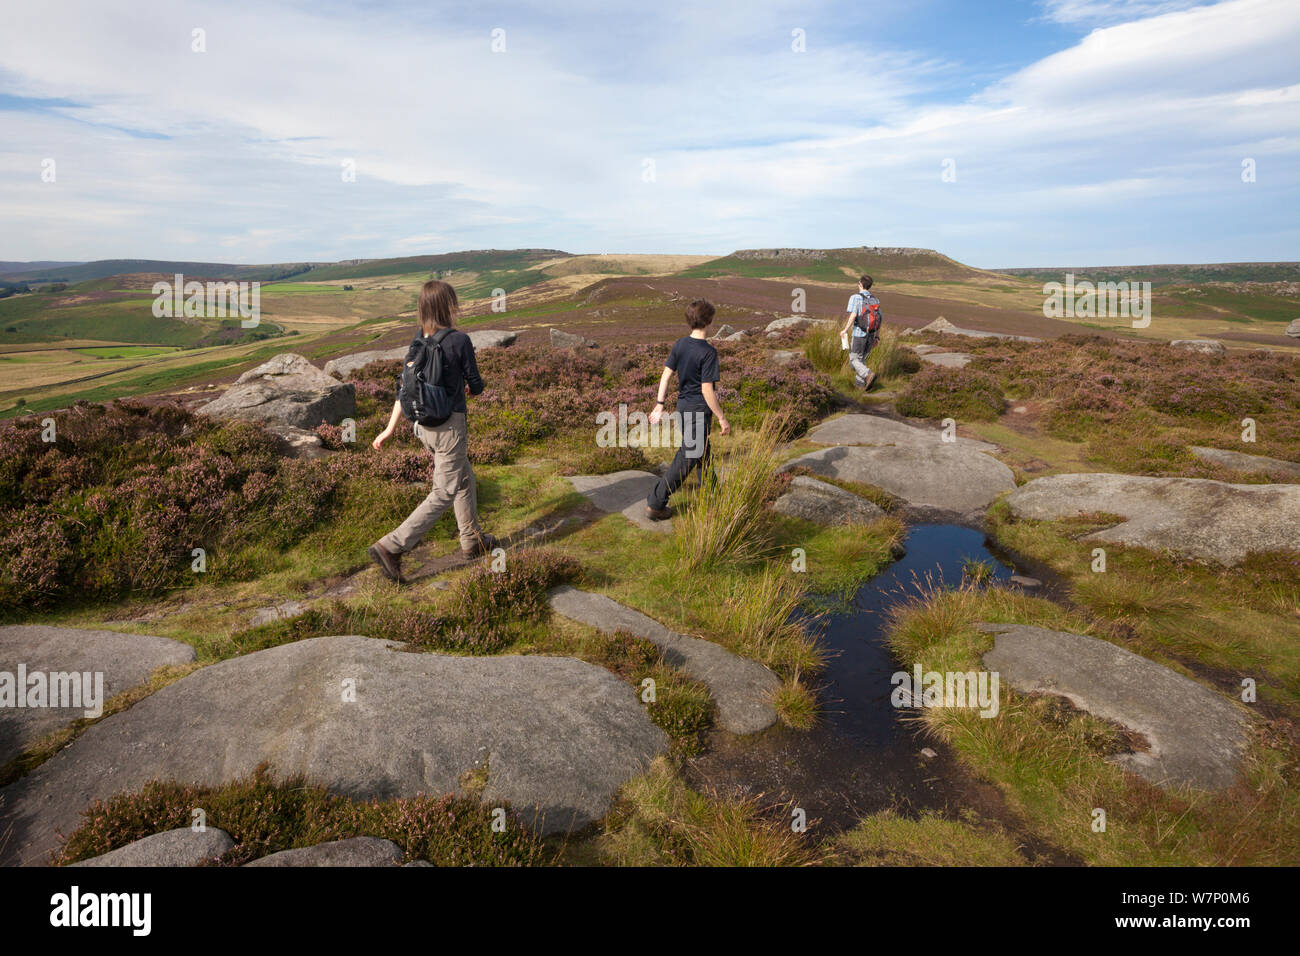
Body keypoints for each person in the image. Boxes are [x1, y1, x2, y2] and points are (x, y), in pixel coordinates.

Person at [368, 280, 497, 582]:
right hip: (450, 428)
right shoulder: (459, 340)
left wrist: (388, 429)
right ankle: (391, 546)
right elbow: (476, 387)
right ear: (448, 306)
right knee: (444, 491)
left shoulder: (418, 341)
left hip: (422, 428)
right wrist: (468, 387)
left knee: (463, 477)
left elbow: (404, 389)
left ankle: (471, 539)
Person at [645, 299, 731, 520]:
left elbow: (666, 375)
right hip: (699, 411)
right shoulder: (708, 352)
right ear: (709, 321)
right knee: (688, 457)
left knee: (702, 454)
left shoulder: (680, 344)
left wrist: (660, 404)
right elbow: (707, 391)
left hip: (683, 408)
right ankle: (656, 502)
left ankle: (714, 499)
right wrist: (722, 417)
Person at [839, 274, 879, 389]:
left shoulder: (855, 297)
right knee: (861, 360)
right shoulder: (875, 299)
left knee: (854, 359)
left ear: (861, 284)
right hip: (871, 334)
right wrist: (877, 337)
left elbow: (853, 314)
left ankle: (868, 374)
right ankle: (861, 385)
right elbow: (879, 318)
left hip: (859, 334)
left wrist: (845, 330)